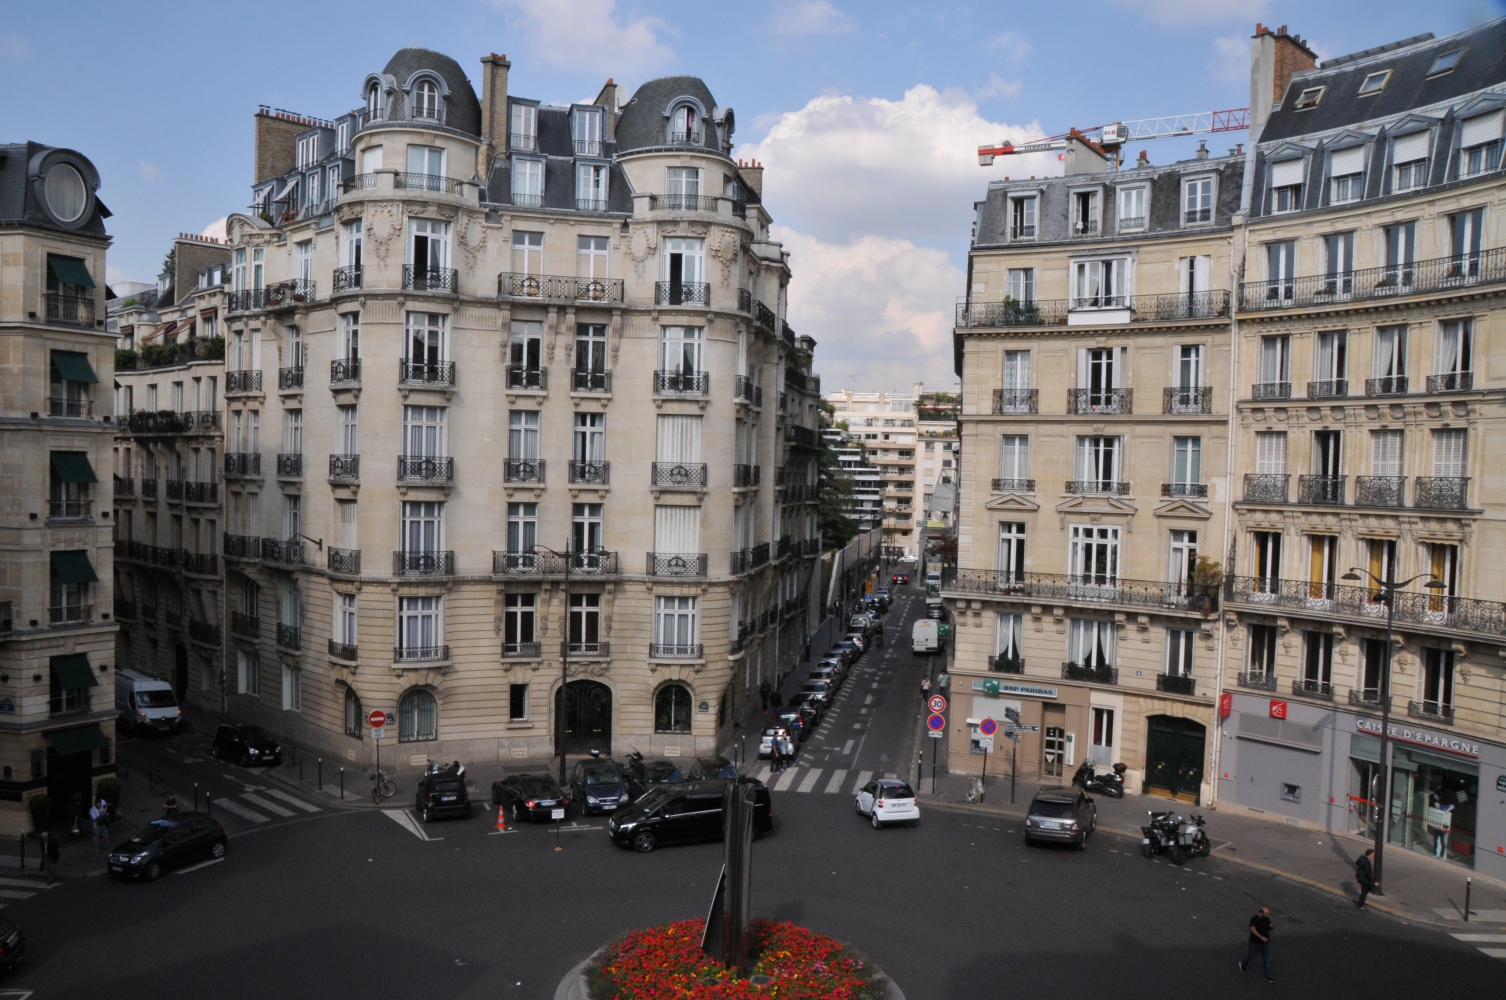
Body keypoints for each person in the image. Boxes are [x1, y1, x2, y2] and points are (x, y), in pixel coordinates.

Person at [1238, 906, 1274, 982]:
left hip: (1265, 943)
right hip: (1255, 942)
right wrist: (1261, 937)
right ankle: (1243, 964)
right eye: (1267, 914)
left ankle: (1267, 976)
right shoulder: (1254, 919)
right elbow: (1253, 930)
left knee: (1266, 959)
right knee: (1251, 956)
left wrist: (1271, 927)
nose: (1268, 916)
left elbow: (1269, 928)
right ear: (1261, 913)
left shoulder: (1267, 919)